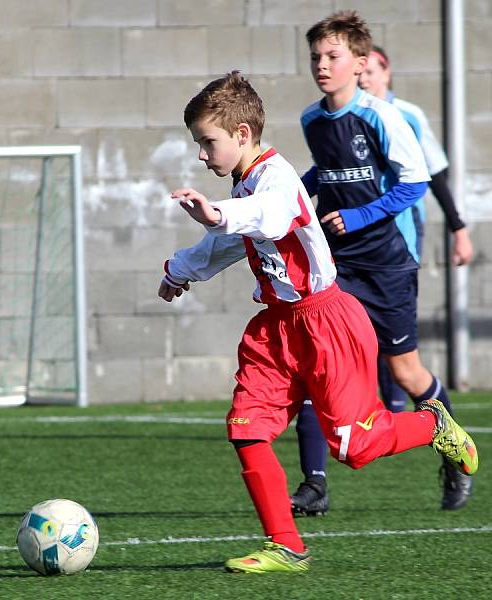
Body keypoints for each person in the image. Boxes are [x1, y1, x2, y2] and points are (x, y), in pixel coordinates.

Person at [158, 70, 477, 574]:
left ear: (242, 134)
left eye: (207, 142)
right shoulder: (245, 182)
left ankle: (432, 421)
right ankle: (286, 546)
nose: (201, 154)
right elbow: (227, 244)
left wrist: (217, 213)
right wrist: (181, 271)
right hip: (276, 329)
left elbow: (267, 217)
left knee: (354, 446)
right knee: (246, 427)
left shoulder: (277, 179)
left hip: (326, 322)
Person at [291, 14, 474, 517]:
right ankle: (314, 484)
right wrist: (291, 197)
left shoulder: (382, 115)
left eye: (332, 57)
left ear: (360, 62)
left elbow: (414, 183)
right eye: (315, 57)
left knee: (406, 372)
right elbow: (324, 174)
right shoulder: (312, 120)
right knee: (315, 364)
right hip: (337, 267)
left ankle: (454, 457)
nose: (322, 66)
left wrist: (359, 214)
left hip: (387, 265)